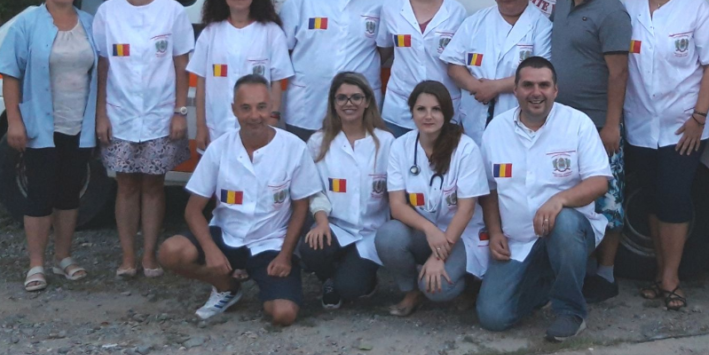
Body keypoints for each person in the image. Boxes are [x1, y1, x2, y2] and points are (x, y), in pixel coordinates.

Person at [158, 76, 320, 325]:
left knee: (284, 314)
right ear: (234, 109)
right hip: (226, 235)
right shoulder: (219, 148)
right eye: (246, 108)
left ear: (271, 107)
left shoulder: (294, 148)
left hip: (270, 243)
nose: (254, 116)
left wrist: (285, 255)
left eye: (261, 107)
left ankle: (267, 287)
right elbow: (193, 210)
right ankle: (226, 287)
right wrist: (211, 251)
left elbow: (301, 207)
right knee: (171, 252)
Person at [476, 57, 612, 342]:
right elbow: (489, 190)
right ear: (515, 90)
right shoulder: (495, 130)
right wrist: (496, 231)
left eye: (544, 85)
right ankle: (550, 280)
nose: (536, 92)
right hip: (518, 241)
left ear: (555, 90)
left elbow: (599, 181)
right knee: (493, 317)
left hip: (569, 231)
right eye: (528, 85)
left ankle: (571, 312)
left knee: (564, 224)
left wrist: (559, 200)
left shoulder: (577, 124)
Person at [622, 0, 709, 310]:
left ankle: (671, 277)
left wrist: (699, 117)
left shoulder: (696, 10)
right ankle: (660, 273)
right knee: (650, 197)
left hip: (684, 127)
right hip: (640, 123)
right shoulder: (629, 7)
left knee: (675, 198)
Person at [0, 0, 99, 291]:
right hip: (41, 126)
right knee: (39, 194)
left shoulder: (90, 24)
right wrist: (14, 121)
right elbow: (10, 74)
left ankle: (63, 257)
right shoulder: (27, 24)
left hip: (78, 125)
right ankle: (36, 264)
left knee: (69, 194)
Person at [93, 0, 195, 279]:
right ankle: (127, 257)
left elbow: (181, 66)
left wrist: (180, 111)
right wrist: (101, 114)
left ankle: (150, 255)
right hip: (119, 114)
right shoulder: (108, 13)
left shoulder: (172, 11)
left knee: (153, 185)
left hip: (160, 115)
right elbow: (103, 67)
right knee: (125, 186)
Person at [548, 0, 631, 303]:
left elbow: (619, 73)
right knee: (569, 195)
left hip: (598, 124)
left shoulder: (611, 12)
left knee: (608, 201)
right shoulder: (560, 4)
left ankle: (606, 274)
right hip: (561, 124)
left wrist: (612, 125)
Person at [375, 81, 489, 315]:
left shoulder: (466, 149)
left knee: (436, 289)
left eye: (436, 109)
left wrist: (440, 256)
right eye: (421, 109)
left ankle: (469, 283)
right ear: (412, 112)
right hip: (426, 231)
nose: (428, 116)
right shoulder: (400, 147)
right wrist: (429, 229)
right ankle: (411, 291)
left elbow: (466, 210)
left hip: (461, 234)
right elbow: (397, 206)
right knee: (388, 236)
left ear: (447, 113)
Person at [280, 0, 387, 143]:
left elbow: (385, 50)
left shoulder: (380, 1)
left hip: (359, 113)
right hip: (307, 108)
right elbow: (283, 49)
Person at [297, 72, 395, 308]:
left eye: (356, 97)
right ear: (333, 103)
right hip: (335, 227)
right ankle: (328, 279)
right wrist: (321, 222)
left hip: (371, 232)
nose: (348, 103)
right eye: (341, 98)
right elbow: (314, 191)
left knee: (351, 288)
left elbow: (395, 194)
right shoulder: (318, 142)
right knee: (311, 248)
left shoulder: (386, 142)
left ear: (367, 101)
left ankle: (361, 278)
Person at [443, 0, 552, 145]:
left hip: (521, 120)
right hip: (474, 121)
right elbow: (453, 65)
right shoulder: (475, 22)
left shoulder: (542, 27)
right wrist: (476, 87)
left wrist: (495, 87)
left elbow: (541, 75)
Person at [188, 0, 293, 148]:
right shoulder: (210, 33)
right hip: (217, 128)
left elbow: (277, 82)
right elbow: (201, 82)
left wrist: (273, 119)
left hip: (259, 128)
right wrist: (201, 127)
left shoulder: (272, 32)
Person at [376, 0, 466, 137]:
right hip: (400, 108)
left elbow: (460, 62)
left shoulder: (456, 11)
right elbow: (384, 50)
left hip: (444, 108)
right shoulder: (391, 8)